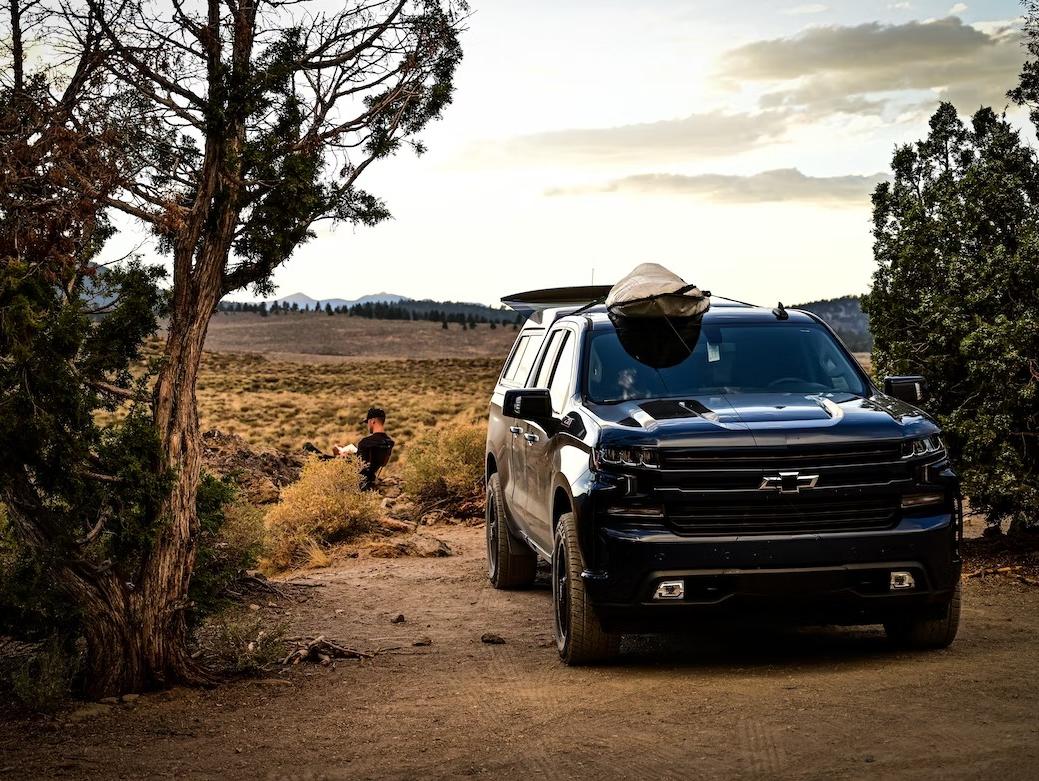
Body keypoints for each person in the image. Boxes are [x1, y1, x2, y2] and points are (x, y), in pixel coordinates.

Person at [334, 406, 395, 489]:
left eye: (368, 422)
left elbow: (360, 467)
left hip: (361, 483)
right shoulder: (389, 442)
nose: (368, 425)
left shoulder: (366, 442)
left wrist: (345, 456)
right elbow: (371, 461)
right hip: (371, 477)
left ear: (373, 421)